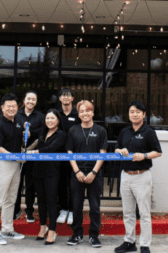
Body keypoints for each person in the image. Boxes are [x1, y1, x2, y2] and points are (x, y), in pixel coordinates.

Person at [113, 100, 163, 253]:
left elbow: (158, 152)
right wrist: (120, 151)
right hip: (126, 176)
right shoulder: (125, 132)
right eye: (131, 112)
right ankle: (129, 241)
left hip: (142, 176)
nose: (134, 114)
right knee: (128, 212)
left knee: (144, 213)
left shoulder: (149, 132)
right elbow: (116, 149)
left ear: (144, 114)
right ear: (129, 115)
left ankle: (145, 244)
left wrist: (145, 156)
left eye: (137, 112)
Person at [65, 100, 107, 248]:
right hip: (77, 173)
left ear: (93, 112)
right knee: (76, 205)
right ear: (79, 114)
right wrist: (76, 171)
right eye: (82, 111)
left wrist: (94, 172)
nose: (85, 113)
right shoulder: (73, 130)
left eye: (88, 110)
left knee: (95, 206)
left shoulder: (101, 130)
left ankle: (94, 235)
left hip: (94, 173)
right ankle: (77, 233)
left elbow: (103, 153)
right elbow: (70, 152)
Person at [0, 93, 26, 245]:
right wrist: (14, 157)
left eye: (14, 106)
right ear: (2, 108)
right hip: (2, 163)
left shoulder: (17, 121)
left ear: (18, 108)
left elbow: (18, 142)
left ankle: (7, 229)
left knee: (10, 199)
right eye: (8, 106)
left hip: (15, 164)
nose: (11, 108)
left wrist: (25, 135)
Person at [25, 109, 66, 245]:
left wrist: (35, 152)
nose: (49, 121)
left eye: (52, 118)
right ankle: (43, 227)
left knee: (51, 200)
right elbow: (30, 132)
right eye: (47, 118)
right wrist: (27, 129)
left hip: (52, 171)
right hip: (38, 170)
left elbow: (52, 148)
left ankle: (52, 231)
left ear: (58, 120)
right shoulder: (42, 131)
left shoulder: (61, 134)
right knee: (41, 200)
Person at [13, 90, 44, 223]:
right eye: (28, 99)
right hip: (17, 154)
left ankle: (29, 210)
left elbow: (43, 133)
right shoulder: (16, 114)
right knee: (16, 183)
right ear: (24, 100)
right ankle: (15, 209)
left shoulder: (41, 116)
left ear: (36, 102)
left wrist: (32, 132)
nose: (30, 101)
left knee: (31, 184)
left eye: (33, 99)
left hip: (33, 155)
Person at [55, 87, 80, 225]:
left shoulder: (77, 114)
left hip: (75, 156)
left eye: (68, 95)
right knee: (61, 184)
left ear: (72, 98)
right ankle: (63, 209)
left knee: (74, 184)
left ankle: (72, 210)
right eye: (63, 95)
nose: (65, 98)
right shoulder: (56, 113)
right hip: (59, 155)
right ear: (59, 99)